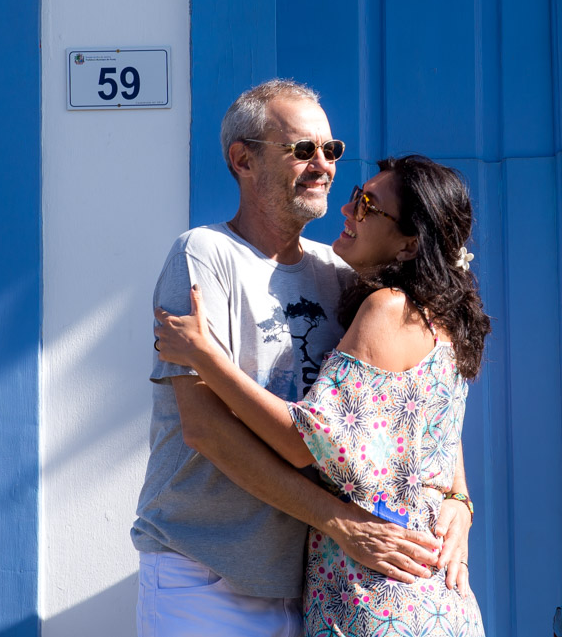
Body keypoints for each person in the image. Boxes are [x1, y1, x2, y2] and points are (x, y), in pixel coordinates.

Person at [131, 80, 460, 637]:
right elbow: (205, 429)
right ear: (243, 159)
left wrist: (459, 498)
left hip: (316, 584)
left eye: (331, 151)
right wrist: (342, 523)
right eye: (302, 150)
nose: (324, 166)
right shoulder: (204, 255)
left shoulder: (340, 273)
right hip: (208, 574)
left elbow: (422, 401)